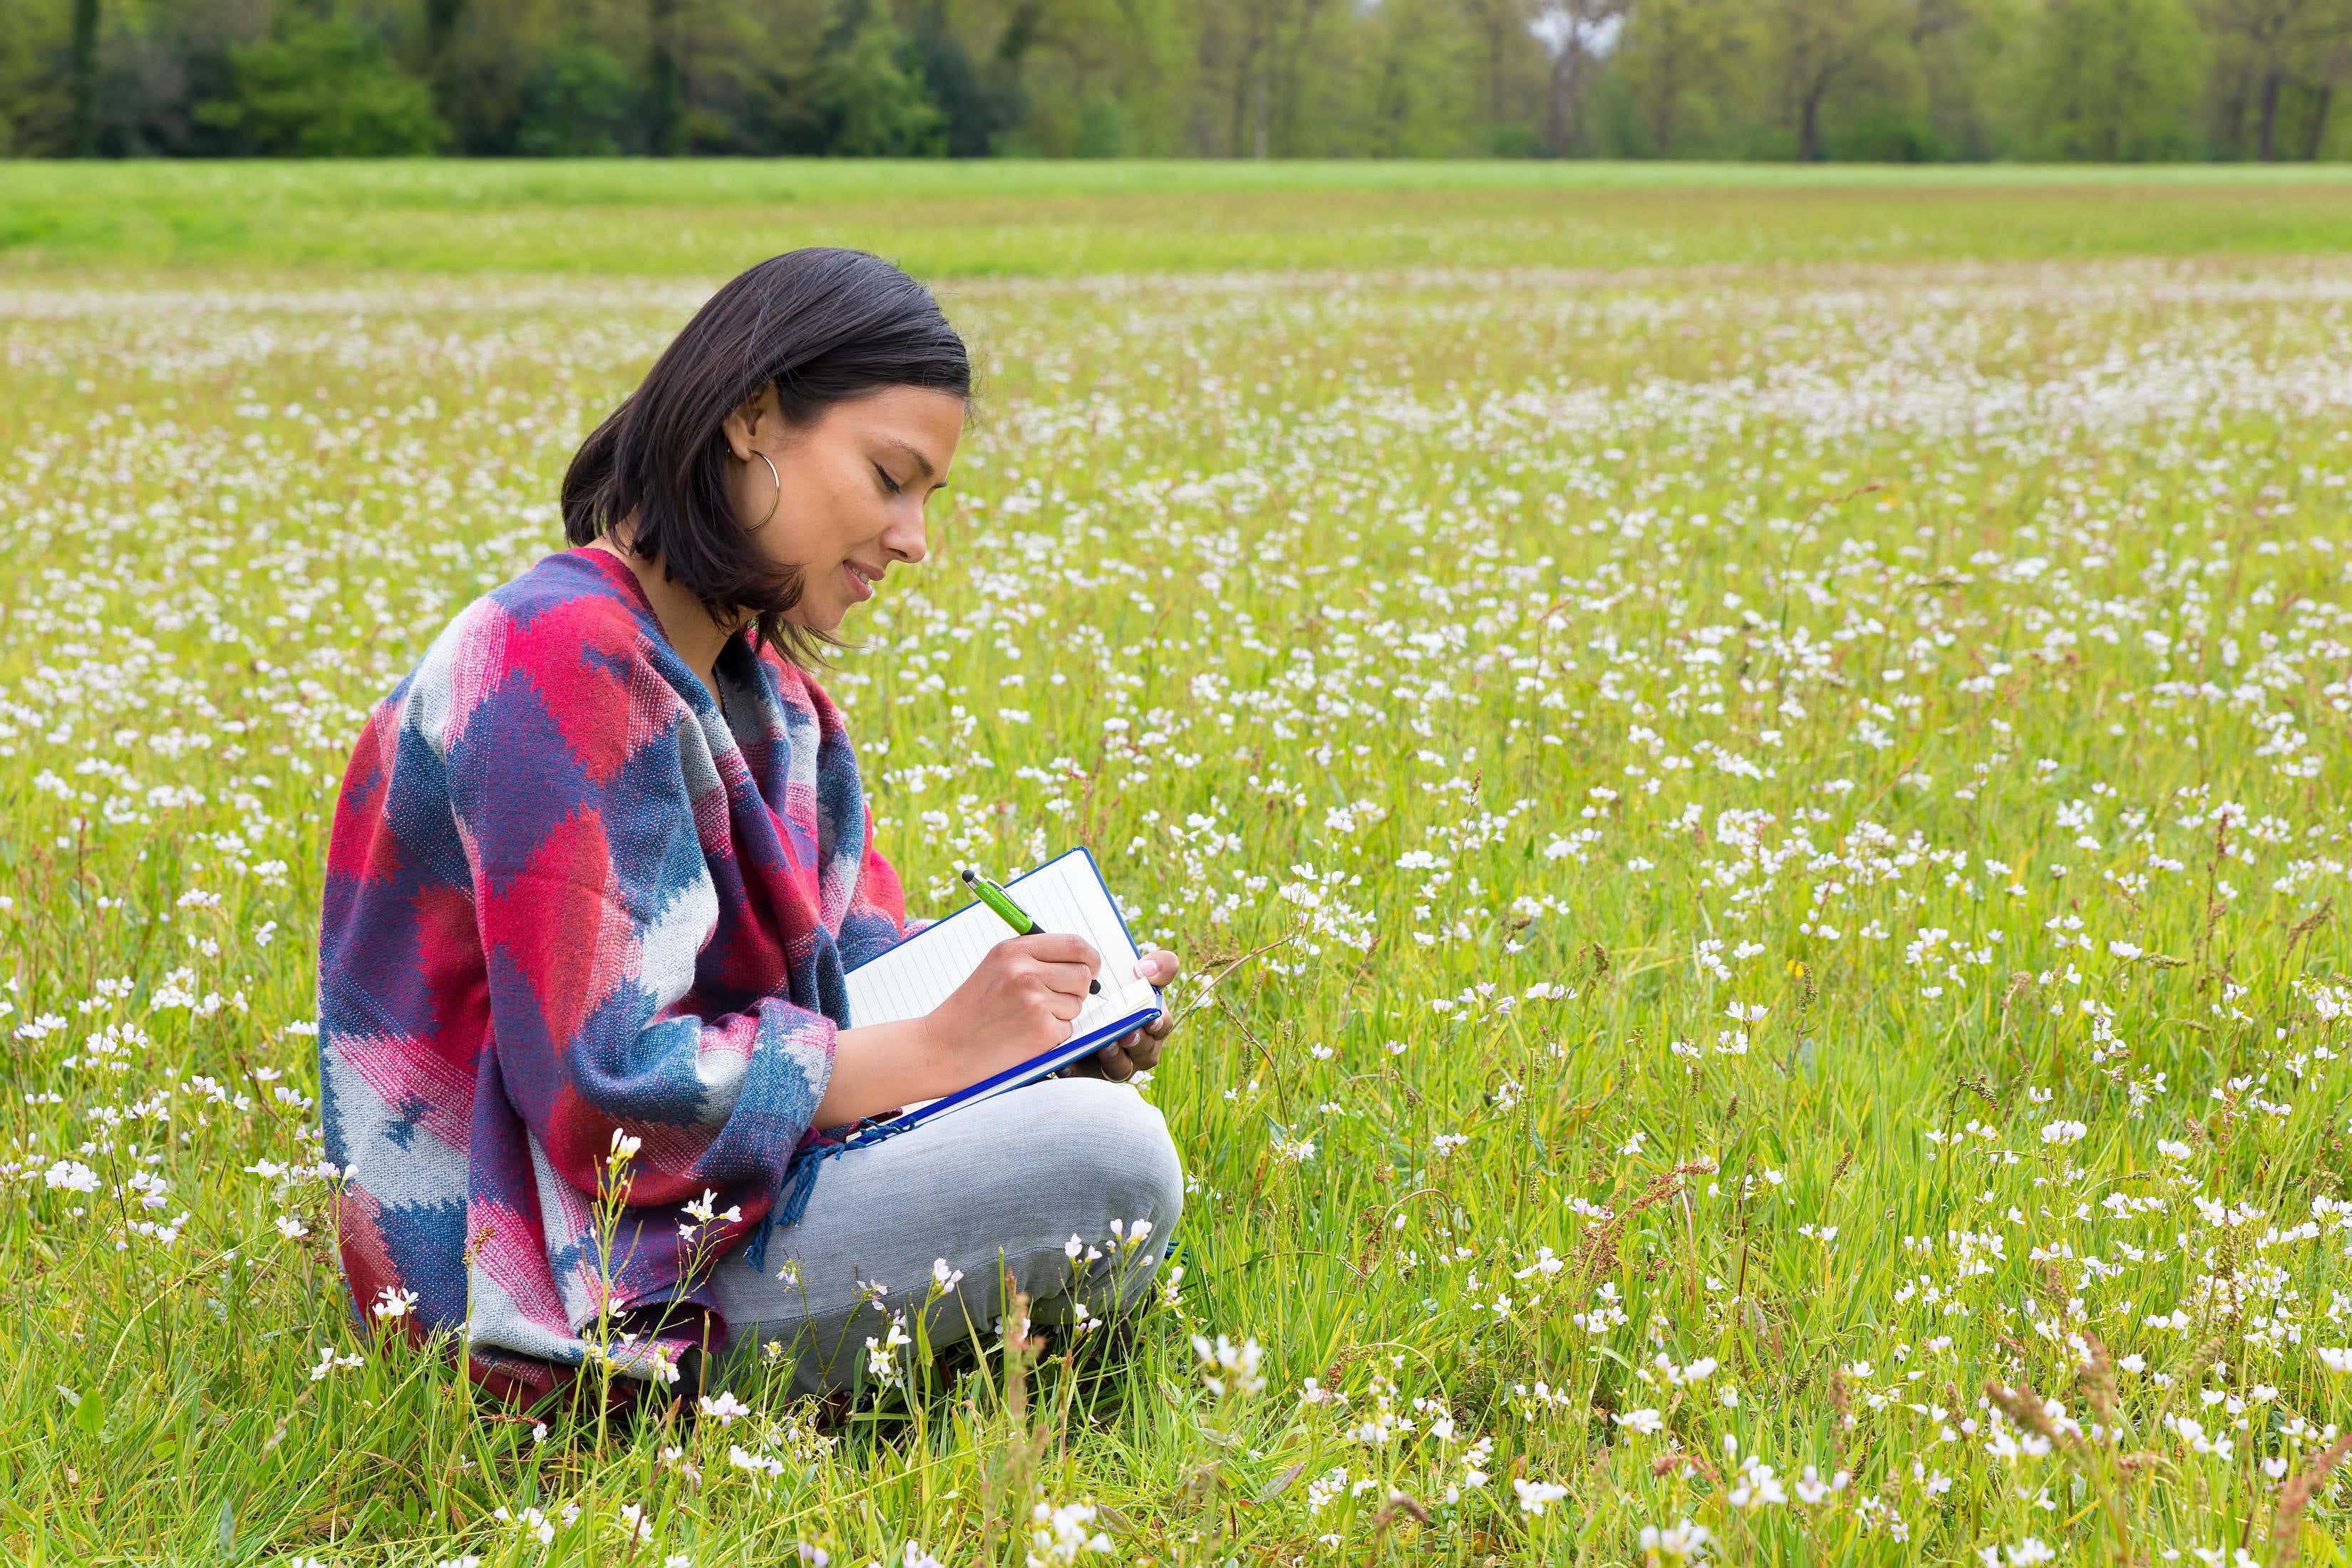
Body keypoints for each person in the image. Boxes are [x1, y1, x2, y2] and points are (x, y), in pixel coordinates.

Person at [315, 247, 1185, 1415]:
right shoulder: (553, 660)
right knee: (1106, 1163)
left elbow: (856, 973)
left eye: (929, 495)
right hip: (557, 1281)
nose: (914, 535)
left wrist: (1034, 1023)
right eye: (891, 475)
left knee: (1094, 1125)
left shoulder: (775, 702)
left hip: (720, 1211)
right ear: (752, 419)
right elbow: (605, 1098)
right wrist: (937, 1055)